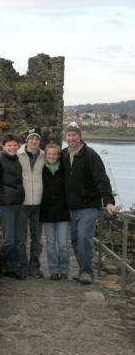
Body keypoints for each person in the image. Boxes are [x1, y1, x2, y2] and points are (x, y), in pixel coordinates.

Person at [61, 121, 116, 284]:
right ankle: (82, 269)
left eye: (74, 135)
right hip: (71, 207)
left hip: (88, 206)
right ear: (66, 137)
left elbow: (101, 179)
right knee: (76, 240)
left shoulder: (91, 155)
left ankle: (87, 272)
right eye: (69, 135)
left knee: (84, 237)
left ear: (80, 137)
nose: (71, 138)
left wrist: (108, 201)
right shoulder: (63, 155)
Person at [0, 134, 27, 279]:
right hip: (6, 204)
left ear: (18, 147)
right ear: (3, 147)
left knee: (17, 239)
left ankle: (12, 267)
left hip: (18, 203)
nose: (12, 148)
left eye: (14, 145)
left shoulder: (16, 160)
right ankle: (2, 264)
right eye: (9, 145)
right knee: (9, 239)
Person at [18, 128, 45, 278]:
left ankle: (34, 266)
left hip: (38, 203)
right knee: (21, 238)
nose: (34, 141)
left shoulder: (44, 156)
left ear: (40, 141)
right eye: (31, 138)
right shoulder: (18, 154)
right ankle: (22, 266)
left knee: (36, 238)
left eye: (37, 139)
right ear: (27, 140)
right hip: (23, 203)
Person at [41, 143, 70, 280]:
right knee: (51, 243)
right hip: (46, 212)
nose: (52, 156)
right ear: (45, 155)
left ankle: (63, 269)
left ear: (59, 155)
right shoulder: (41, 169)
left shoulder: (64, 169)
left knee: (63, 244)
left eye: (54, 154)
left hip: (63, 211)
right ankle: (53, 269)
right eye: (49, 154)